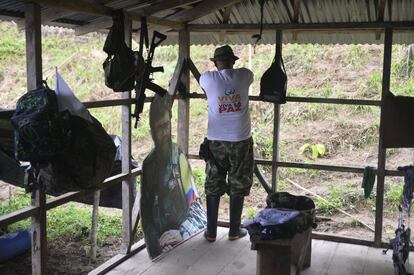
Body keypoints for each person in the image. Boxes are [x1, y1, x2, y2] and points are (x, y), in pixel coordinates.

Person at [140, 94, 207, 259]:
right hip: (162, 246)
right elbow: (146, 216)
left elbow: (198, 211)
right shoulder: (148, 165)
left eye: (166, 126)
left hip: (184, 239)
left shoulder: (179, 159)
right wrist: (157, 246)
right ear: (152, 132)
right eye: (159, 128)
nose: (164, 133)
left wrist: (182, 234)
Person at [199, 45, 254, 242]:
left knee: (213, 182)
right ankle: (233, 231)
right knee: (238, 182)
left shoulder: (207, 78)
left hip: (216, 141)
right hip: (240, 140)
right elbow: (247, 76)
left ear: (215, 63)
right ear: (234, 61)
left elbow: (204, 83)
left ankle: (211, 232)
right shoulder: (245, 75)